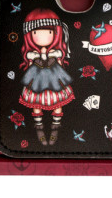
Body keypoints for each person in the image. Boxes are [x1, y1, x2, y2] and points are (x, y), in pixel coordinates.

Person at [19, 8, 74, 145]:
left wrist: (51, 56)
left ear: (56, 33)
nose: (43, 36)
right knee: (36, 103)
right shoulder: (32, 54)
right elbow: (29, 64)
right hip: (37, 82)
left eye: (49, 32)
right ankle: (39, 128)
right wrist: (37, 56)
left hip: (54, 80)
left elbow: (60, 64)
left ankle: (55, 127)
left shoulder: (56, 52)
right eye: (36, 32)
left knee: (58, 102)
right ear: (30, 35)